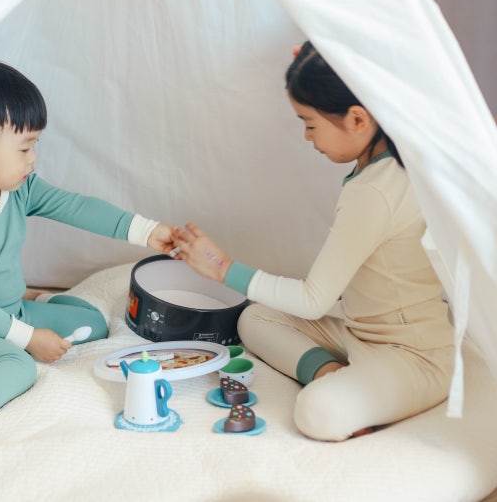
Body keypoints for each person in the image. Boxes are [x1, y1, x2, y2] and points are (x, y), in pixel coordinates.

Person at [171, 41, 453, 441]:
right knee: (255, 318)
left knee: (318, 412)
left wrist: (221, 267)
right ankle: (331, 372)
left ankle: (343, 388)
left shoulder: (374, 192)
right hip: (356, 328)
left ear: (358, 118)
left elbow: (312, 300)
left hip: (413, 355)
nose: (306, 137)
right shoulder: (392, 164)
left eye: (310, 123)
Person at [0, 59, 176, 449]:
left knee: (93, 323)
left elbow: (77, 208)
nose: (33, 158)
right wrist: (28, 338)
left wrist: (147, 231)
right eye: (24, 147)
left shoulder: (20, 188)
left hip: (8, 310)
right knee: (17, 364)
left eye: (34, 145)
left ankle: (37, 301)